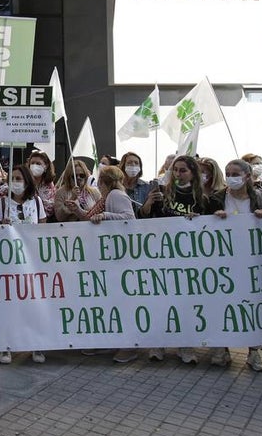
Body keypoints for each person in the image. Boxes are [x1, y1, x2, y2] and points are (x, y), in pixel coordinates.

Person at [141, 155, 222, 364]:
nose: (178, 174)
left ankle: (185, 345)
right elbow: (144, 220)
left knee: (186, 303)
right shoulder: (162, 194)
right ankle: (158, 343)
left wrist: (198, 223)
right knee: (162, 302)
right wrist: (149, 203)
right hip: (163, 257)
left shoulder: (203, 199)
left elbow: (210, 228)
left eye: (183, 170)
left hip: (189, 261)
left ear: (193, 173)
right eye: (175, 170)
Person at [210, 159, 262, 372]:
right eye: (227, 173)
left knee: (252, 304)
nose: (230, 177)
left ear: (247, 176)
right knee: (222, 303)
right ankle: (222, 347)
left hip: (252, 261)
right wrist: (213, 218)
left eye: (235, 173)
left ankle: (254, 352)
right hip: (223, 260)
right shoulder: (216, 199)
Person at [0, 164, 47, 365]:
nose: (15, 182)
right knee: (9, 307)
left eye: (19, 178)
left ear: (27, 181)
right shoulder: (2, 204)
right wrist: (3, 227)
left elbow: (42, 231)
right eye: (12, 178)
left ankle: (36, 345)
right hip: (8, 265)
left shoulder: (37, 202)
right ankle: (7, 346)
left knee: (33, 305)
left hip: (31, 263)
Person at [88, 165, 137, 364]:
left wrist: (106, 216)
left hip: (121, 256)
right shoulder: (109, 196)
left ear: (105, 182)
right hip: (113, 255)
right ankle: (111, 339)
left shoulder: (116, 195)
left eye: (100, 180)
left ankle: (128, 345)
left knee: (120, 299)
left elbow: (129, 218)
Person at [26, 149, 57, 221]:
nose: (34, 166)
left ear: (46, 166)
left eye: (38, 163)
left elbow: (50, 208)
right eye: (32, 163)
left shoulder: (49, 185)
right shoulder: (24, 181)